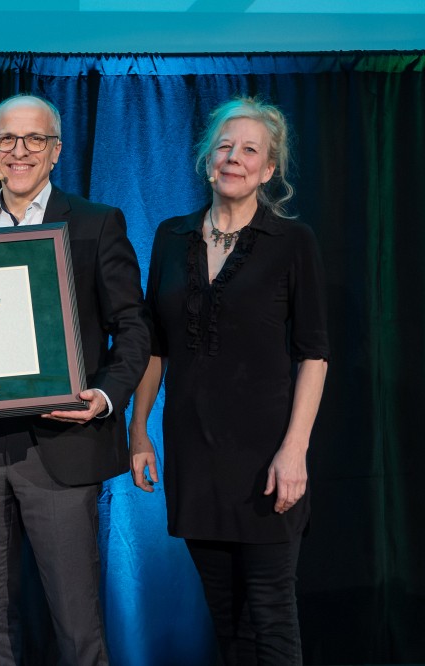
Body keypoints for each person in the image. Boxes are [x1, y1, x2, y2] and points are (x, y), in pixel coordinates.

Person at [0, 94, 150, 665]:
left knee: (77, 625)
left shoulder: (98, 223)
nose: (20, 150)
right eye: (7, 140)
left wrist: (103, 398)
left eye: (34, 140)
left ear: (54, 152)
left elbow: (133, 329)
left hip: (64, 444)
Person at [128, 96, 329, 665]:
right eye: (223, 146)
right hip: (195, 458)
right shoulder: (172, 237)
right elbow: (156, 347)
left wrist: (294, 453)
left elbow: (314, 355)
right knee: (227, 622)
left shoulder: (293, 242)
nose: (233, 158)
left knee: (271, 619)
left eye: (249, 150)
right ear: (206, 159)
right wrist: (139, 431)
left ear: (269, 170)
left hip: (268, 460)